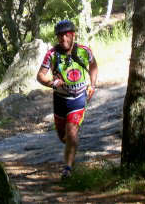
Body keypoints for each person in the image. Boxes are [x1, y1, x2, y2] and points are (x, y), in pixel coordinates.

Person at [36, 19, 98, 179]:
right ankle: (72, 145)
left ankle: (67, 169)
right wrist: (52, 83)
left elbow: (93, 66)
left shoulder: (84, 51)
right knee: (63, 137)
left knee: (71, 132)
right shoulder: (52, 54)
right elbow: (40, 76)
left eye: (67, 35)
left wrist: (93, 85)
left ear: (73, 35)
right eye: (60, 36)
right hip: (60, 100)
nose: (63, 39)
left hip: (78, 98)